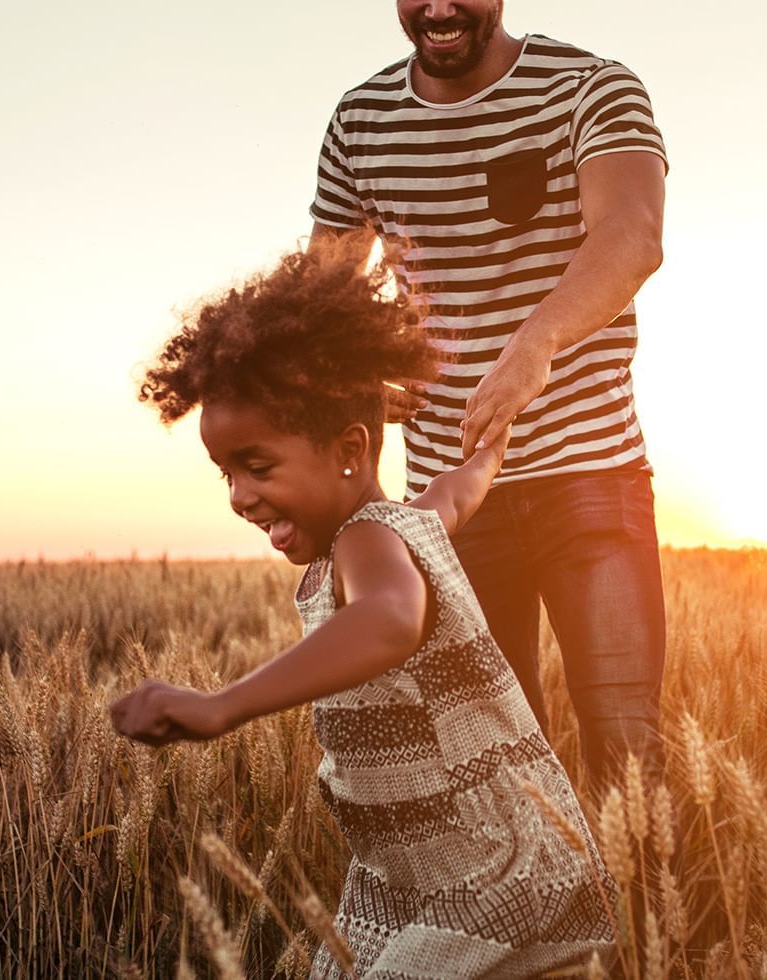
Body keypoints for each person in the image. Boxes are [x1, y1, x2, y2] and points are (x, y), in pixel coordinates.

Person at [110, 243, 617, 978]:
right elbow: (458, 491)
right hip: (401, 874)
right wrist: (489, 450)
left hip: (478, 870)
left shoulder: (368, 542)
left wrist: (224, 706)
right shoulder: (410, 524)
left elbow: (388, 619)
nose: (239, 496)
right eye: (225, 473)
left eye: (258, 466)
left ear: (350, 449)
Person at [308, 0, 670, 793]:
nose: (438, 8)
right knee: (499, 759)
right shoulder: (360, 121)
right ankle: (548, 920)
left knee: (626, 745)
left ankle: (649, 920)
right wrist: (361, 376)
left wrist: (533, 344)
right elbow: (324, 295)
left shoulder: (589, 87)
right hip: (450, 501)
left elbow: (632, 235)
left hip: (590, 473)